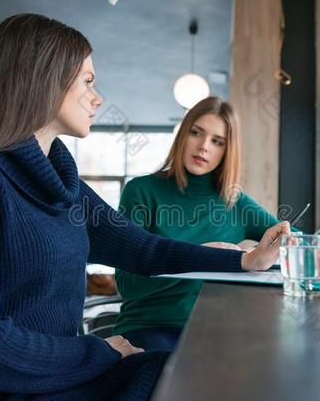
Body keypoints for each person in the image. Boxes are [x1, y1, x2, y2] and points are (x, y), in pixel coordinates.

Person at [0, 14, 289, 400]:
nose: (97, 98)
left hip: (50, 377)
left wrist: (244, 262)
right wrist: (101, 352)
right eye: (86, 82)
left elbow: (142, 248)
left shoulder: (62, 181)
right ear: (41, 79)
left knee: (212, 375)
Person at [114, 97, 297, 352]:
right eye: (196, 132)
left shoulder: (234, 202)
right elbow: (128, 285)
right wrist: (200, 256)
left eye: (217, 141)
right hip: (150, 326)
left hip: (219, 327)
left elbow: (294, 238)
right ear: (182, 135)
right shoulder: (142, 191)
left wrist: (278, 245)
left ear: (227, 150)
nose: (203, 147)